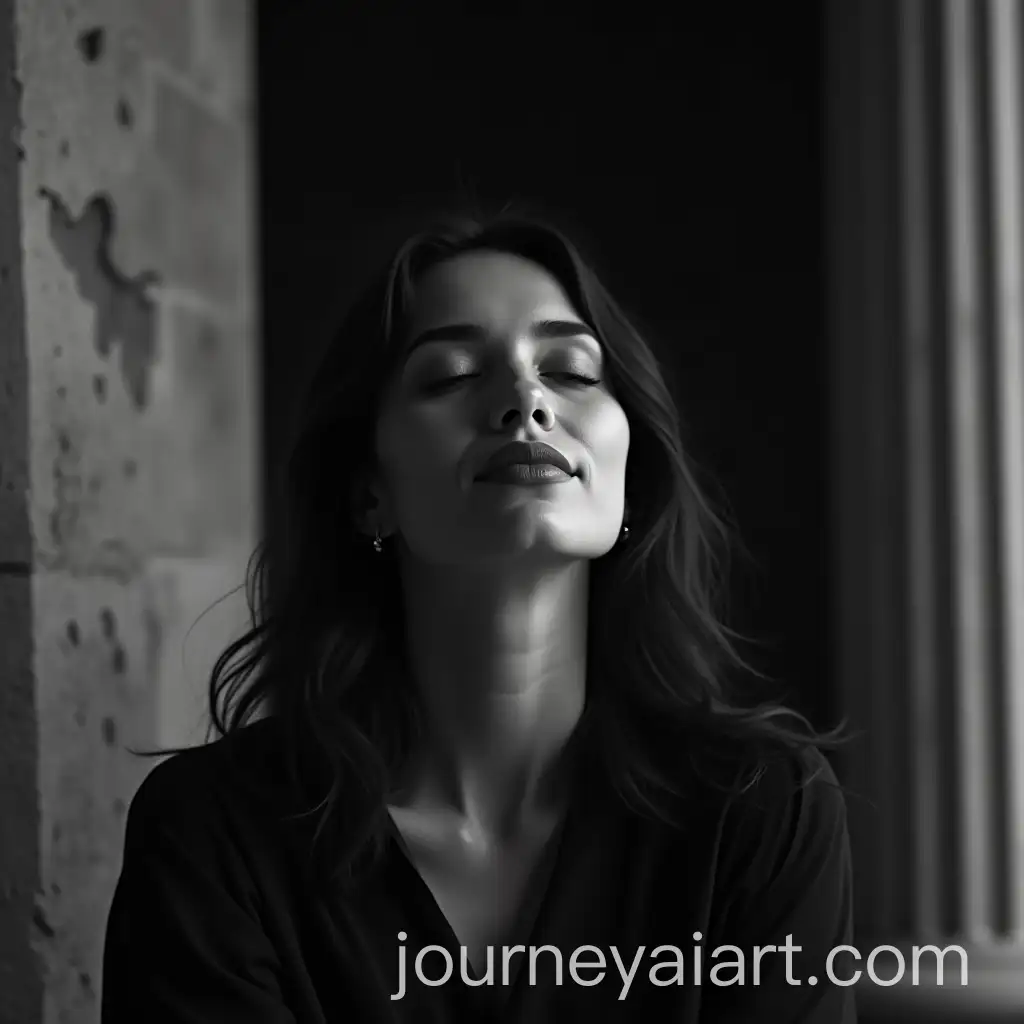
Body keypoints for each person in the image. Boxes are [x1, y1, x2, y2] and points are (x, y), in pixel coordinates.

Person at [100, 206, 856, 1023]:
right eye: (453, 374)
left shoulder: (758, 810)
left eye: (569, 369)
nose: (526, 399)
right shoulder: (216, 838)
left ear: (628, 473)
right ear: (368, 492)